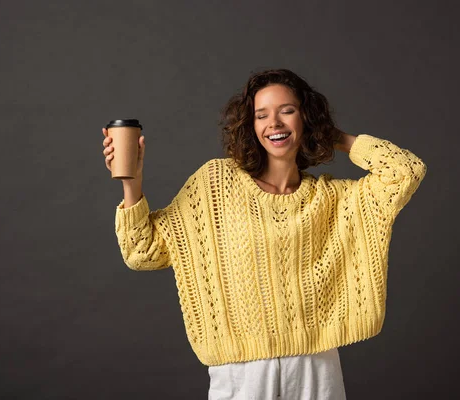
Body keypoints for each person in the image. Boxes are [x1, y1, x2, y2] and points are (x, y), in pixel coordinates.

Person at [102, 69, 427, 399]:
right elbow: (142, 252)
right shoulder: (215, 184)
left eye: (287, 110)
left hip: (316, 365)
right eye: (261, 115)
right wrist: (133, 181)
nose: (274, 123)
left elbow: (406, 171)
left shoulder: (333, 199)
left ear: (306, 118)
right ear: (251, 126)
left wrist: (334, 136)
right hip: (242, 372)